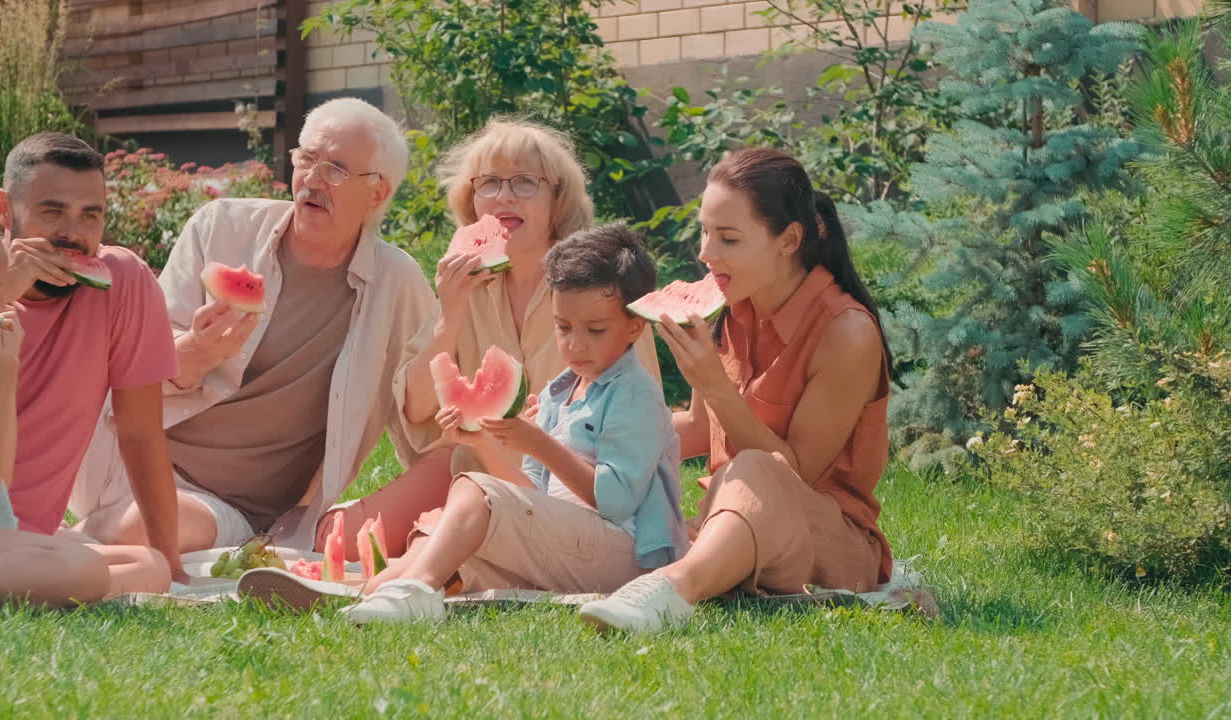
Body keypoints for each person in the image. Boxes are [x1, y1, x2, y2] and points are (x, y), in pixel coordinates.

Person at [238, 224, 688, 622]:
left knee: (475, 493)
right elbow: (530, 494)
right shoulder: (562, 390)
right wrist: (487, 444)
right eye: (562, 327)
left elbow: (616, 500)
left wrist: (538, 443)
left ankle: (413, 593)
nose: (574, 344)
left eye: (594, 330)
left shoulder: (636, 392)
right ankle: (360, 594)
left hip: (624, 559)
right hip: (569, 545)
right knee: (445, 529)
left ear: (635, 326)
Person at [69, 97, 438, 553]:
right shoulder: (220, 227)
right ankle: (33, 540)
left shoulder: (396, 283)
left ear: (378, 193)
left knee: (143, 527)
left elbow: (424, 413)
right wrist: (195, 353)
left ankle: (43, 550)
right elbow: (133, 368)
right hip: (121, 451)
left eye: (337, 169)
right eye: (307, 159)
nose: (312, 180)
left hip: (221, 505)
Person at [579, 148, 895, 633]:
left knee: (757, 468)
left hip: (829, 545)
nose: (706, 253)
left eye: (727, 238)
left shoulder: (847, 333)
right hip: (724, 527)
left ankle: (672, 589)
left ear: (789, 240)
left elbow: (793, 476)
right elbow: (699, 428)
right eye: (705, 232)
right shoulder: (735, 309)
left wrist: (716, 386)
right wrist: (583, 435)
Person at [325, 118, 663, 557]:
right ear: (471, 199)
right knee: (339, 543)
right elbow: (417, 407)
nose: (504, 195)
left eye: (525, 182)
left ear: (557, 199)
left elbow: (643, 414)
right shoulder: (466, 284)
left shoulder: (599, 290)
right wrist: (450, 314)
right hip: (468, 465)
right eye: (488, 183)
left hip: (574, 487)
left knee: (432, 554)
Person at [0, 133, 184, 582]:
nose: (73, 234)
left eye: (89, 216)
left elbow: (140, 434)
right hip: (0, 539)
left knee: (149, 567)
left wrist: (171, 561)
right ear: (5, 209)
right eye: (52, 211)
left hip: (25, 542)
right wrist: (1, 298)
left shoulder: (124, 283)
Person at [0, 217, 167, 606]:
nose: (3, 309)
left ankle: (60, 580)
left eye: (3, 293)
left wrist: (2, 381)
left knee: (150, 564)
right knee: (82, 570)